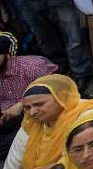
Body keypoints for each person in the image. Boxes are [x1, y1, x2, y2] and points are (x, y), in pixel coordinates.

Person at [1, 75, 93, 169]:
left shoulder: (86, 114)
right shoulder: (31, 124)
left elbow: (71, 162)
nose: (32, 112)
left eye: (39, 104)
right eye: (27, 107)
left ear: (61, 97)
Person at [0, 33, 57, 161]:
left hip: (40, 115)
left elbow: (58, 92)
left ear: (5, 54)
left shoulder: (32, 67)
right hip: (10, 118)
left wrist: (21, 105)